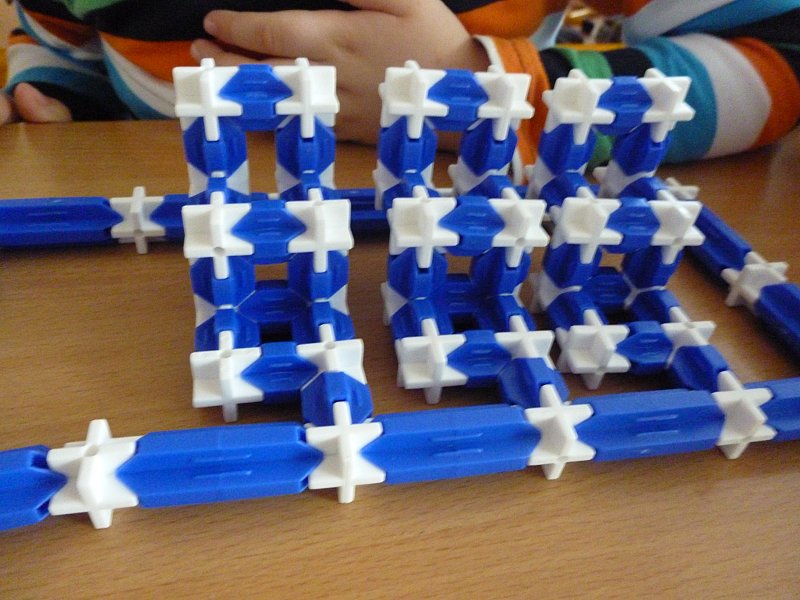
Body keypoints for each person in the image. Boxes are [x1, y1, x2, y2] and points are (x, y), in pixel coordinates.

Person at [2, 0, 799, 167]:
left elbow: (782, 53)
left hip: (468, 211)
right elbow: (59, 38)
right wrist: (53, 92)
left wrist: (493, 95)